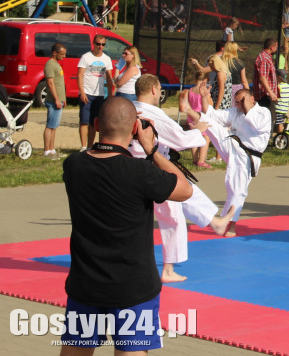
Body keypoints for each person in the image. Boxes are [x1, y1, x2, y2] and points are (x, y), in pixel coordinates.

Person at [59, 96, 192, 354]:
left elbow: (99, 161)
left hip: (86, 283)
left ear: (96, 124)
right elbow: (185, 190)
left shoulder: (73, 165)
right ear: (134, 129)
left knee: (75, 350)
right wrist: (151, 149)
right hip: (133, 287)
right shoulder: (139, 172)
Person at [134, 74, 233, 283]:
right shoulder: (155, 115)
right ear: (154, 90)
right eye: (160, 89)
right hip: (153, 169)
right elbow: (179, 139)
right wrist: (199, 131)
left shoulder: (127, 109)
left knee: (186, 190)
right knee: (172, 215)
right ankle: (168, 269)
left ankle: (214, 222)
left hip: (129, 170)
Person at [192, 86, 272, 237]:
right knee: (210, 123)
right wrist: (203, 97)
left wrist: (247, 107)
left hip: (248, 156)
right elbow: (212, 114)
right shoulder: (235, 112)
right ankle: (189, 111)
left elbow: (256, 126)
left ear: (252, 99)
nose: (239, 105)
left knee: (236, 190)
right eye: (237, 102)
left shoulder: (263, 113)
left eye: (242, 101)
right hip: (233, 146)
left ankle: (231, 225)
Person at [77, 34, 114, 150]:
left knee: (94, 122)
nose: (100, 47)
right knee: (84, 121)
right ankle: (83, 146)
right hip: (87, 93)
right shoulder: (86, 57)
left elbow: (109, 78)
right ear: (94, 43)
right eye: (98, 44)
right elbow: (80, 75)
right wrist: (82, 92)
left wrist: (111, 95)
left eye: (103, 44)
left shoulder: (106, 59)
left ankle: (90, 146)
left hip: (100, 94)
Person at [43, 43, 66, 160]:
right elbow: (51, 83)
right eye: (62, 54)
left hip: (59, 100)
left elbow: (59, 83)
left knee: (54, 126)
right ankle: (47, 150)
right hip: (53, 101)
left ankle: (52, 149)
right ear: (54, 53)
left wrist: (63, 98)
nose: (64, 56)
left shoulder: (56, 64)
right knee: (50, 126)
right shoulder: (50, 64)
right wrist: (57, 99)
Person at [253, 38, 279, 111]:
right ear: (272, 47)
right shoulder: (264, 58)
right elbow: (262, 77)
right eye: (276, 47)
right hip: (264, 96)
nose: (276, 49)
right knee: (269, 119)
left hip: (267, 95)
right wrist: (271, 93)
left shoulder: (266, 57)